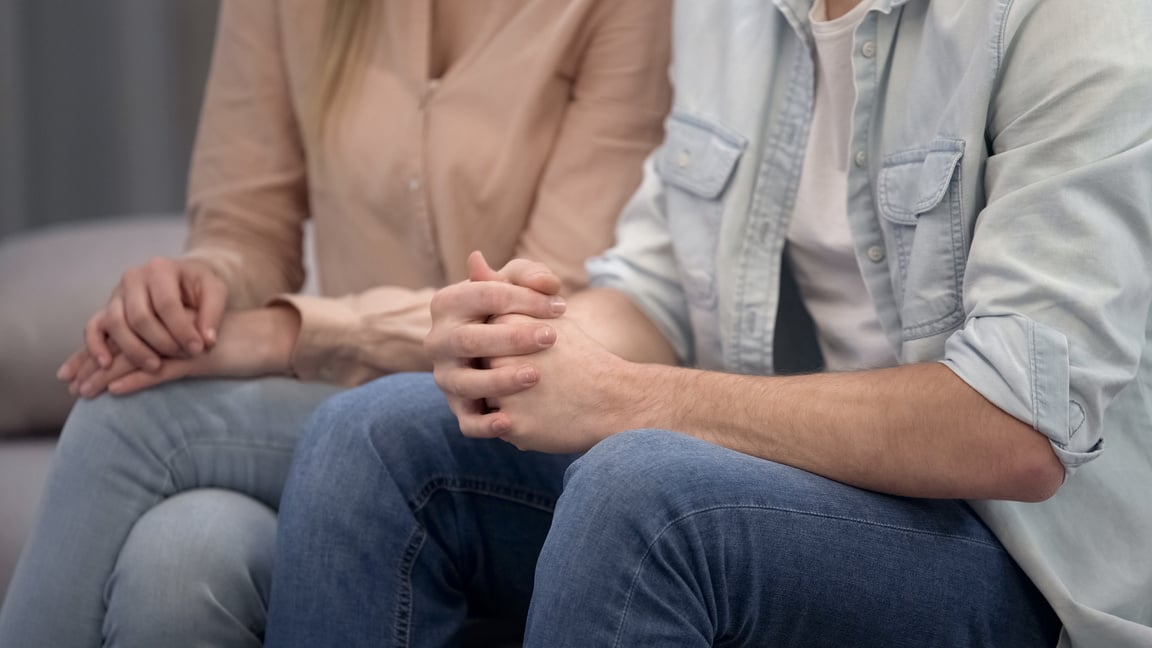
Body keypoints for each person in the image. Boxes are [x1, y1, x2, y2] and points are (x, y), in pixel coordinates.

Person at [264, 0, 1152, 646]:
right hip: (790, 491)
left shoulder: (1076, 18)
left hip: (1021, 563)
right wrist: (527, 344)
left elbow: (1019, 428)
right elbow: (656, 290)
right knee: (373, 434)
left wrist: (626, 398)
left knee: (640, 491)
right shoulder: (725, 13)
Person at [0, 1, 671, 646]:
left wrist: (288, 333)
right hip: (336, 414)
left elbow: (547, 311)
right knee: (177, 561)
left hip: (517, 427)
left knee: (130, 416)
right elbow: (247, 224)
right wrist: (202, 287)